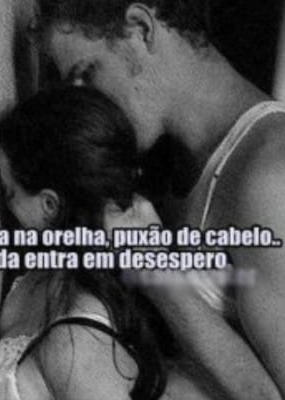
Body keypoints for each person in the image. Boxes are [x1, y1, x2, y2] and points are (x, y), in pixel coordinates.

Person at [32, 1, 285, 399]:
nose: (88, 105)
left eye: (88, 73)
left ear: (141, 28)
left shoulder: (270, 175)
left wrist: (156, 273)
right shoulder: (169, 162)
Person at [0, 86, 213, 400]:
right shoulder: (47, 276)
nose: (6, 206)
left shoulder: (78, 346)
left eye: (9, 192)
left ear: (49, 205)